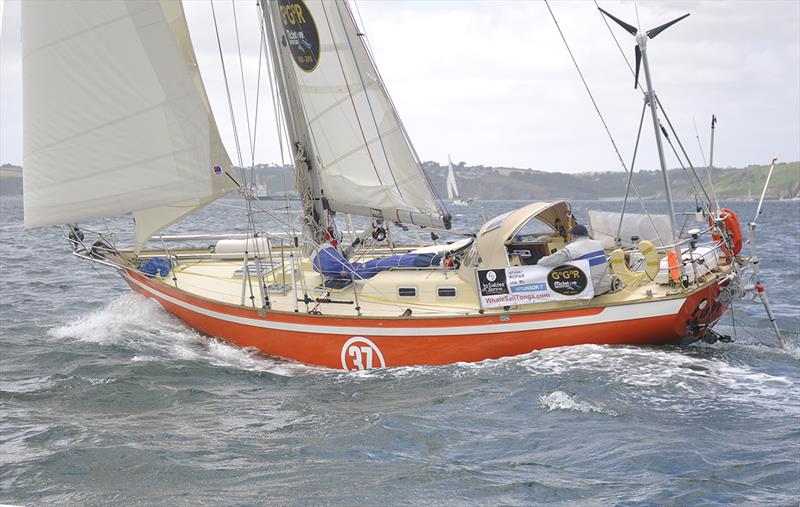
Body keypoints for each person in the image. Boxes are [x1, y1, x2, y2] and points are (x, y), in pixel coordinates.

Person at [537, 224, 612, 295]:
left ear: (574, 236)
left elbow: (548, 261)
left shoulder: (572, 248)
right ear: (587, 234)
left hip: (591, 290)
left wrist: (540, 261)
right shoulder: (599, 244)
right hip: (606, 285)